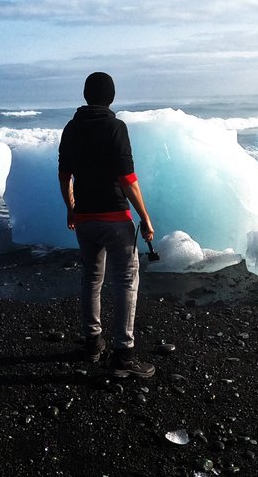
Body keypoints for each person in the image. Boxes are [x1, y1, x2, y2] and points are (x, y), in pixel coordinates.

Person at [58, 72, 156, 379]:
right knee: (126, 280)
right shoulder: (116, 127)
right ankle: (124, 354)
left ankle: (92, 344)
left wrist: (71, 209)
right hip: (115, 218)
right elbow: (127, 178)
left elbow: (64, 175)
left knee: (91, 279)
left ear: (86, 96)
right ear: (110, 97)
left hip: (85, 218)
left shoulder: (71, 129)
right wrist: (145, 216)